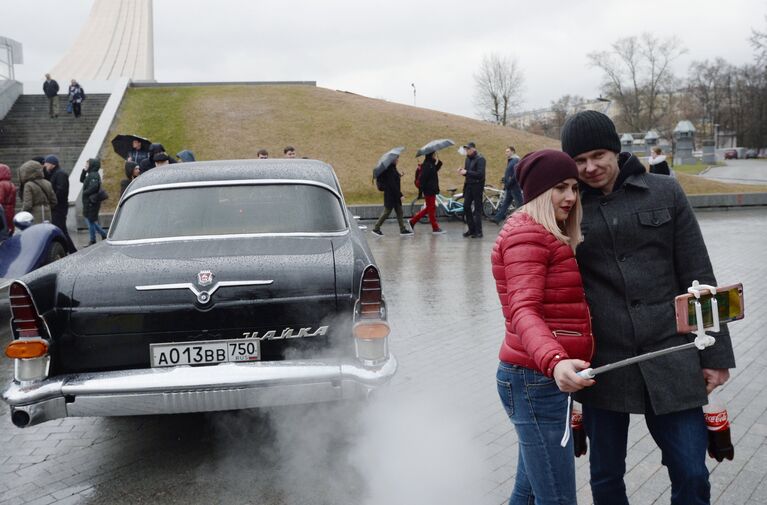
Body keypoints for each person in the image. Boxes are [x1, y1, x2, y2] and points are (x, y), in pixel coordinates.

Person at [560, 110, 735, 505]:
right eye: (579, 160)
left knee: (692, 473)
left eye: (598, 155)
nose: (590, 167)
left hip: (671, 353)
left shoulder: (665, 191)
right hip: (603, 362)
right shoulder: (567, 206)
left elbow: (699, 273)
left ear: (616, 150)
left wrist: (717, 354)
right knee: (605, 478)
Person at [491, 149, 595, 505]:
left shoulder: (543, 232)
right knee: (557, 498)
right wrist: (555, 360)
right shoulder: (529, 235)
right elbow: (524, 310)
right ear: (537, 192)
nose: (570, 197)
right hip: (535, 379)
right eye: (560, 187)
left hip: (536, 378)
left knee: (530, 492)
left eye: (575, 188)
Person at [371, 156, 412, 236]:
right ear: (392, 160)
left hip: (394, 195)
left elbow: (393, 179)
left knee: (399, 212)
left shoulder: (392, 168)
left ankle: (402, 229)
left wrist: (399, 175)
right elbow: (392, 185)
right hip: (391, 196)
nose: (398, 160)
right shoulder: (390, 170)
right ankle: (376, 228)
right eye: (396, 159)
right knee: (386, 212)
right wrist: (400, 195)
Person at [408, 152, 445, 234]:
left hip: (431, 190)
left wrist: (439, 163)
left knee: (430, 208)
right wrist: (423, 190)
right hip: (429, 191)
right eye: (434, 155)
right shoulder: (427, 165)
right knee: (431, 208)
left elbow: (434, 171)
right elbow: (423, 179)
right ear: (431, 155)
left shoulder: (430, 164)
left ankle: (413, 221)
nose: (435, 156)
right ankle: (435, 228)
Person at [458, 141, 485, 238]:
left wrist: (467, 172)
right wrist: (463, 172)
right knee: (466, 207)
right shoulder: (467, 159)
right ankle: (471, 229)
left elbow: (480, 174)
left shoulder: (481, 159)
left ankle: (479, 232)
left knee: (477, 209)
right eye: (466, 149)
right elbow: (468, 173)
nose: (466, 151)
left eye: (468, 149)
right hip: (468, 186)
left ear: (474, 149)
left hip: (477, 187)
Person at [42, 155, 72, 243]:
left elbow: (61, 190)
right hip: (57, 207)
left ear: (53, 164)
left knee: (61, 230)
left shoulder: (60, 174)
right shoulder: (54, 173)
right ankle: (70, 250)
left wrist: (52, 201)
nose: (45, 165)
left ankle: (72, 250)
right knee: (61, 230)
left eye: (47, 163)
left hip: (59, 207)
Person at [492, 146, 524, 224]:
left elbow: (516, 174)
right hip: (510, 186)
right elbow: (509, 172)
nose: (506, 153)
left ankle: (523, 220)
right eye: (506, 151)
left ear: (513, 151)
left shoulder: (516, 160)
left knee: (520, 205)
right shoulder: (511, 160)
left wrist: (509, 182)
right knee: (506, 203)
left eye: (508, 151)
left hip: (514, 186)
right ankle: (497, 218)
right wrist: (505, 178)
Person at [80, 158, 108, 246]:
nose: (86, 165)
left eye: (87, 164)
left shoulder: (94, 175)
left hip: (91, 202)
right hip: (88, 201)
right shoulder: (90, 174)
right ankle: (104, 234)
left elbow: (94, 187)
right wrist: (84, 171)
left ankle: (93, 240)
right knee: (90, 220)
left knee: (90, 221)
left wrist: (85, 193)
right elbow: (82, 180)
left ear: (92, 165)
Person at [0, 163, 17, 235]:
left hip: (2, 210)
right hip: (10, 209)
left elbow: (0, 199)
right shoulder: (11, 184)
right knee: (9, 228)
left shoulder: (1, 184)